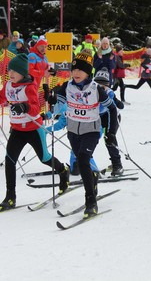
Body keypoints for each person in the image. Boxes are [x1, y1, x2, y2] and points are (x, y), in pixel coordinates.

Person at [49, 50, 118, 217]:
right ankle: (93, 176)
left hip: (91, 131)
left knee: (82, 159)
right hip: (73, 131)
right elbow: (58, 106)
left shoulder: (96, 89)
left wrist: (111, 131)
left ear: (88, 72)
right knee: (82, 163)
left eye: (80, 70)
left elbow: (112, 108)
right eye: (73, 70)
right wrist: (52, 101)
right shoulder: (67, 86)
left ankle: (91, 201)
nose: (76, 73)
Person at [0, 54, 69, 210]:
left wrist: (24, 107)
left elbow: (36, 109)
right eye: (9, 70)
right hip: (17, 130)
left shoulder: (29, 87)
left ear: (23, 73)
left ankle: (63, 171)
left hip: (34, 129)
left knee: (44, 158)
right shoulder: (8, 85)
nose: (11, 74)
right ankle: (10, 197)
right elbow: (1, 97)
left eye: (15, 71)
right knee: (10, 161)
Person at [94, 67, 124, 176]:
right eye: (98, 84)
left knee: (109, 139)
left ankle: (117, 164)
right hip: (97, 117)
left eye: (104, 85)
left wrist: (117, 102)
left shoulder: (109, 93)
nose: (101, 88)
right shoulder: (91, 90)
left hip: (111, 117)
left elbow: (116, 106)